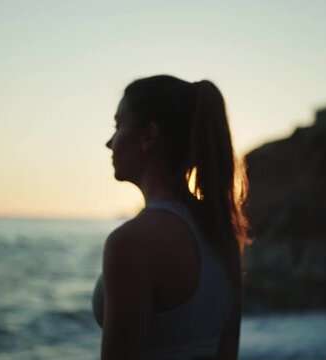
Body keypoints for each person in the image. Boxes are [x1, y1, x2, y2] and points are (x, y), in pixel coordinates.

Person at [92, 75, 250, 360]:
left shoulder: (132, 243)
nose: (108, 142)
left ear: (148, 136)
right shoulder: (221, 232)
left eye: (118, 125)